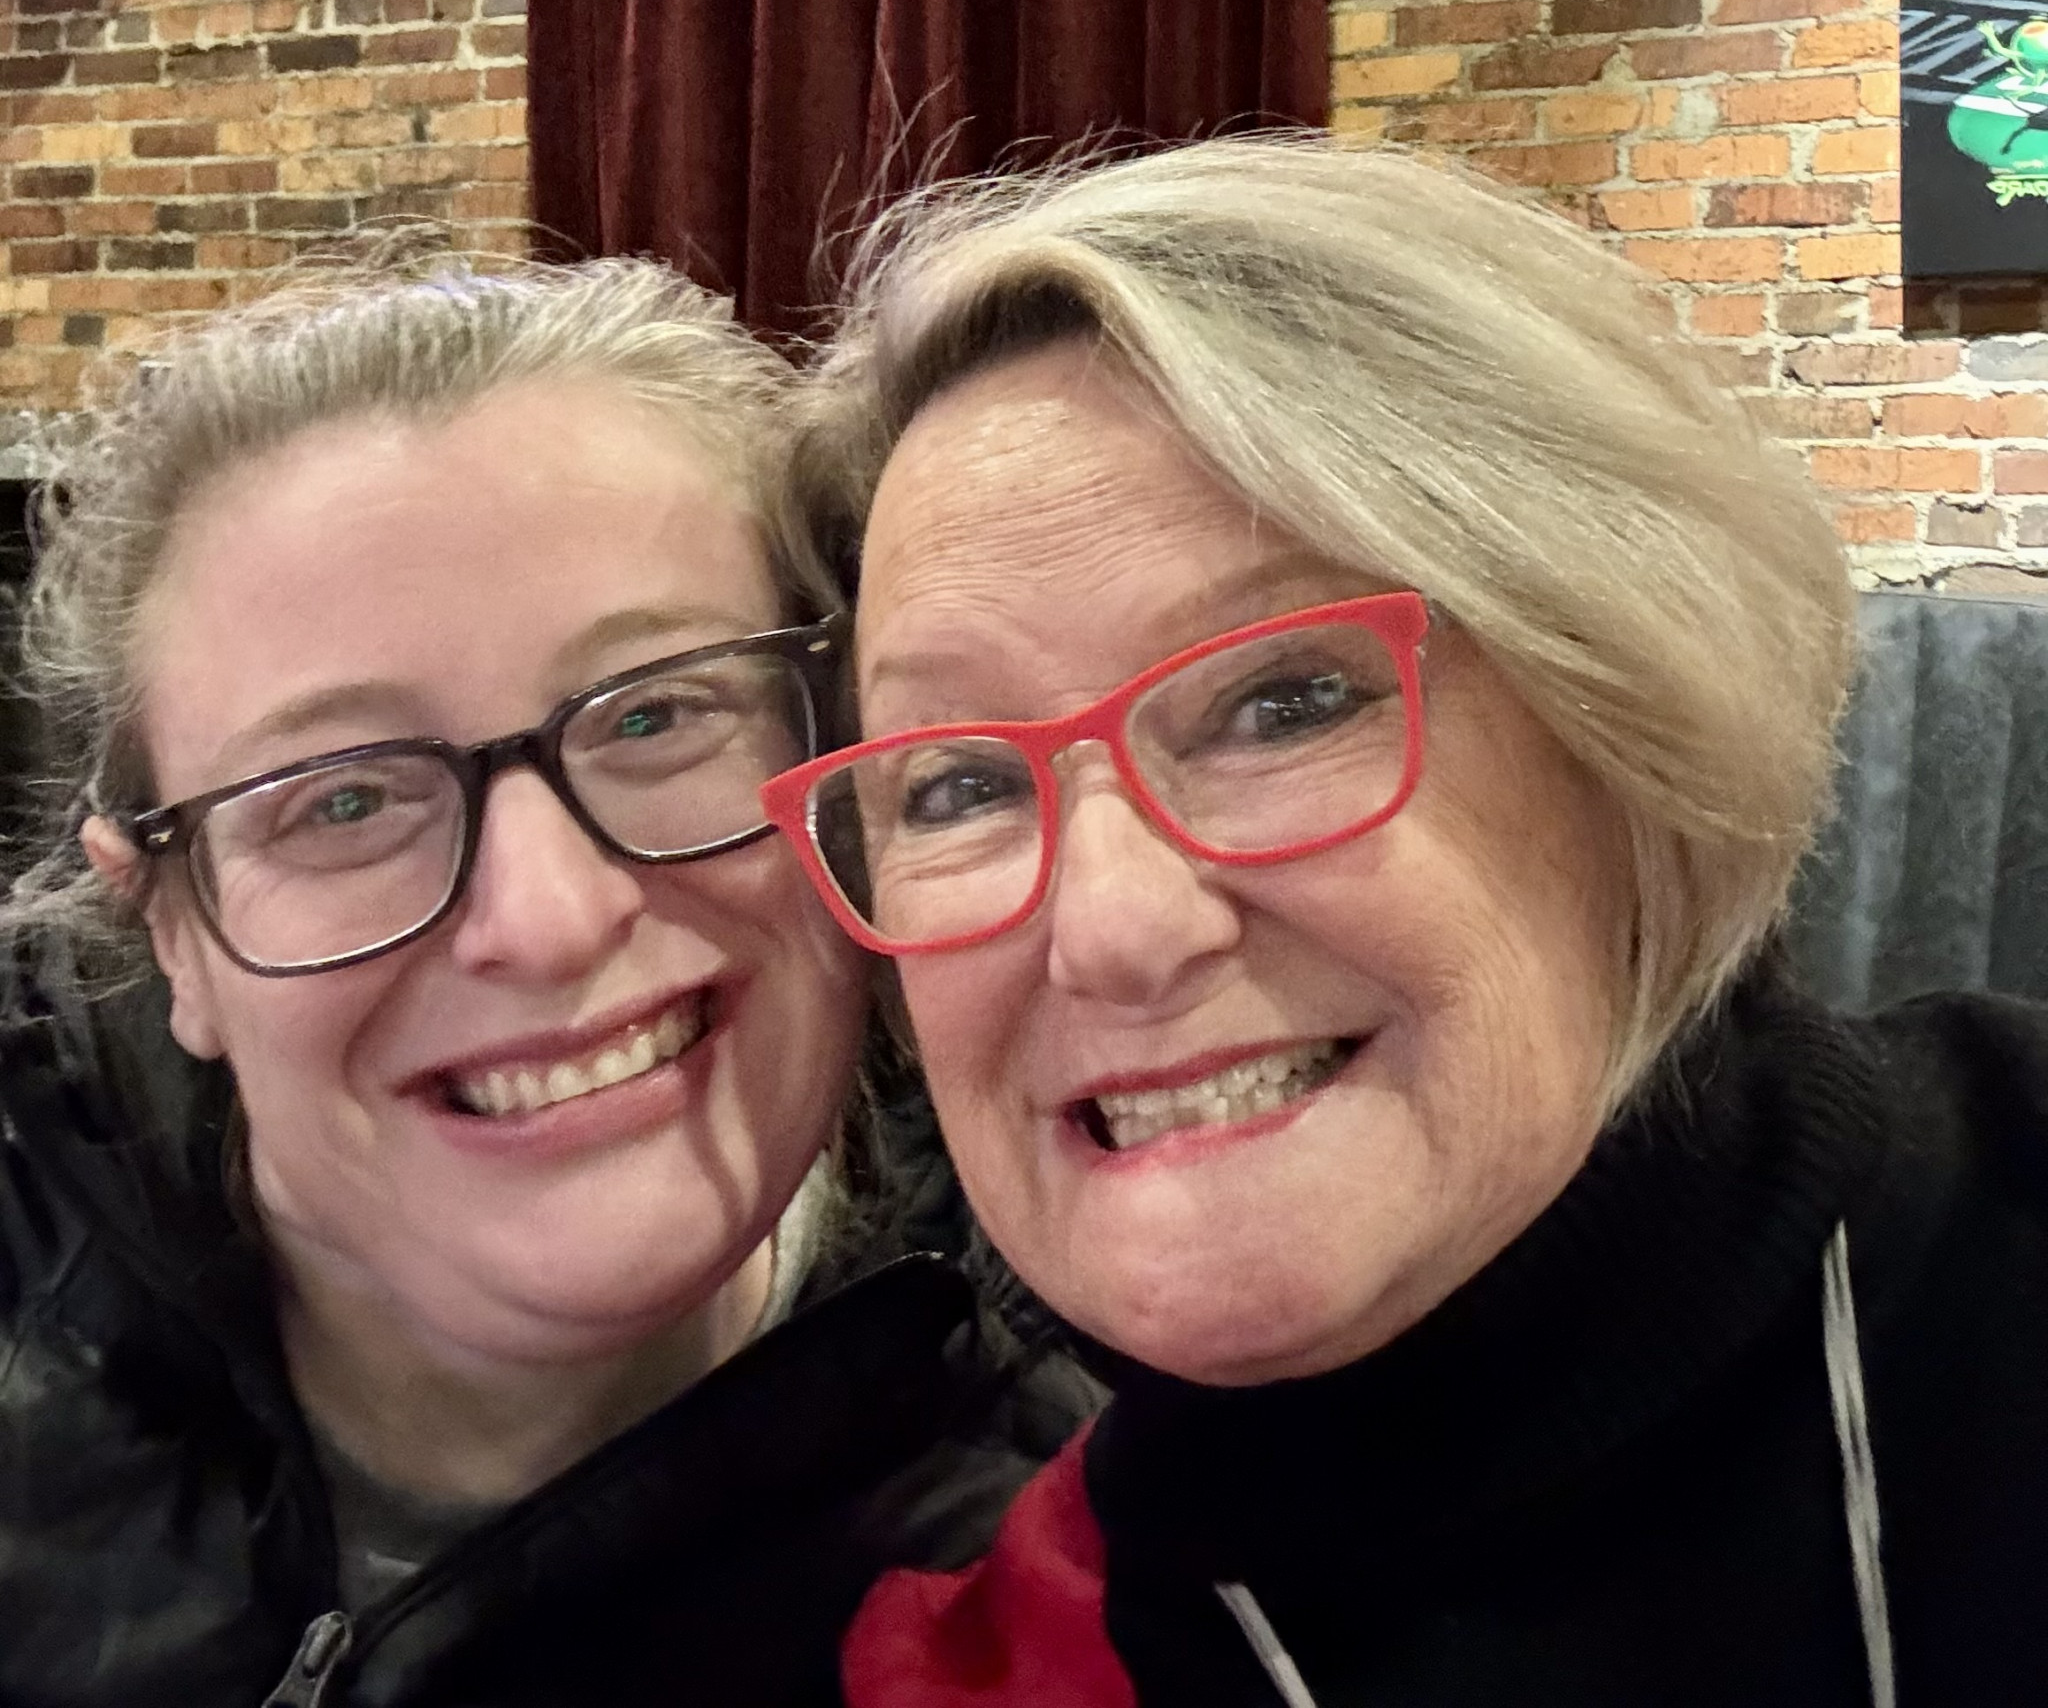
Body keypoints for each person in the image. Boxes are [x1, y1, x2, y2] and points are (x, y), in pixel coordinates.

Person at [761, 137, 2048, 1705]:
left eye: (1282, 701)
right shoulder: (984, 1662)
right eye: (960, 785)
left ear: (1631, 716)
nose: (1113, 928)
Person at [0, 253, 1069, 1706]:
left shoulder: (1107, 1543)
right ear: (173, 931)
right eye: (344, 799)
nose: (550, 918)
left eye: (656, 714)